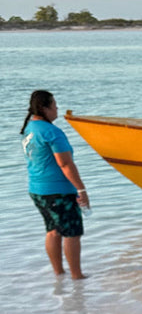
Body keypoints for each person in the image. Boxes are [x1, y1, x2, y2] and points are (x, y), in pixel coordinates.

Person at [20, 90, 90, 279]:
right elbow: (65, 164)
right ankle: (77, 276)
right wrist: (81, 189)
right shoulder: (51, 132)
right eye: (54, 105)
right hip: (58, 191)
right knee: (71, 233)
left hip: (37, 190)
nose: (57, 109)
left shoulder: (29, 128)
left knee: (53, 231)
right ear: (44, 108)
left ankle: (59, 274)